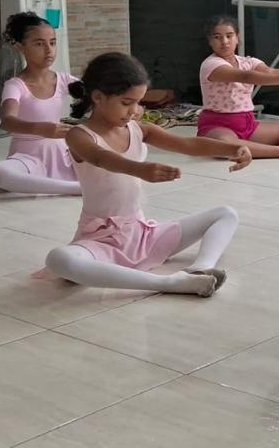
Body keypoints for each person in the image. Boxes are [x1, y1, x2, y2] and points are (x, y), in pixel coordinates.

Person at [43, 52, 250, 297]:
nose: (134, 111)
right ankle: (169, 283)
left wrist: (233, 148)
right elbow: (101, 158)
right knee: (59, 260)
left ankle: (200, 269)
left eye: (138, 102)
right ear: (97, 97)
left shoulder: (139, 129)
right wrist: (140, 169)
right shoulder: (78, 135)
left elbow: (187, 144)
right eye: (126, 103)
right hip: (101, 240)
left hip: (144, 235)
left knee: (226, 214)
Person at [197, 15, 279, 159]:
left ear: (237, 37)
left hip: (246, 123)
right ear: (210, 41)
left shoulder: (248, 61)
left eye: (229, 36)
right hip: (217, 126)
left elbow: (270, 72)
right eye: (217, 37)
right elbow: (246, 76)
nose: (224, 41)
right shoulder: (211, 64)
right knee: (225, 144)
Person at [0, 12, 80, 195]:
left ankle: (54, 184)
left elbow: (97, 94)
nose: (49, 50)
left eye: (52, 42)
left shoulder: (64, 80)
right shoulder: (15, 85)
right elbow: (8, 121)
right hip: (28, 157)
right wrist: (41, 129)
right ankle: (75, 189)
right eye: (39, 44)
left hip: (62, 153)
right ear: (21, 47)